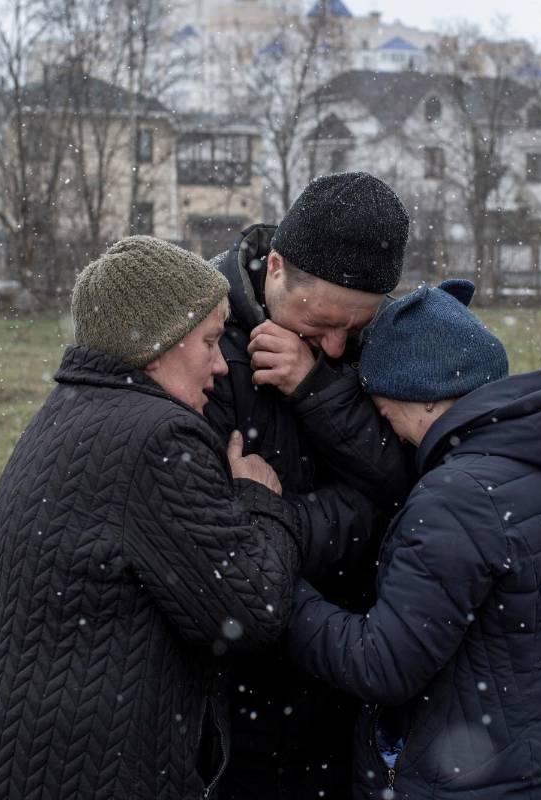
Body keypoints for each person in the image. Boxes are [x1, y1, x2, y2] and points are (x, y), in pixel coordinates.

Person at [0, 236, 303, 800]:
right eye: (208, 341)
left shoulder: (67, 413)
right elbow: (252, 611)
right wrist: (261, 501)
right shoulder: (157, 438)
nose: (218, 364)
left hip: (11, 765)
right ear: (155, 348)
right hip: (82, 775)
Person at [286, 279, 541, 799]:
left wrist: (277, 584)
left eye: (386, 411)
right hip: (527, 761)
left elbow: (380, 664)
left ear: (426, 396)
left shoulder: (459, 497)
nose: (390, 429)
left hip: (457, 781)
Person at [204, 172, 415, 798]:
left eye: (352, 329)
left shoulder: (384, 344)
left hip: (341, 675)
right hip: (228, 685)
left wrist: (318, 391)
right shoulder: (203, 340)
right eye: (320, 321)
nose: (333, 344)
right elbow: (207, 531)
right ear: (274, 268)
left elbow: (402, 490)